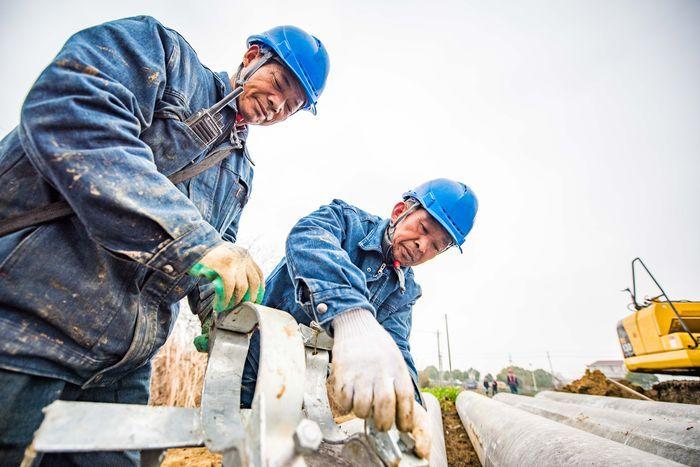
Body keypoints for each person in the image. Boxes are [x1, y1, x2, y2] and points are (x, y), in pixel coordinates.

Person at [0, 16, 330, 465]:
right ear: (252, 58)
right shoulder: (165, 57)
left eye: (292, 105)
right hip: (28, 329)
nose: (278, 104)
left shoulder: (239, 174)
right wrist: (196, 242)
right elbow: (71, 107)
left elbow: (215, 259)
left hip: (123, 367)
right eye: (279, 83)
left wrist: (223, 314)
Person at [240, 178, 479, 460]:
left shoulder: (405, 290)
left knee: (283, 450)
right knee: (243, 439)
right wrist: (352, 316)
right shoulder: (345, 221)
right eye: (423, 229)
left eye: (436, 246)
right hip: (259, 349)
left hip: (307, 375)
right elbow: (306, 238)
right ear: (399, 211)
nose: (421, 245)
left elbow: (397, 346)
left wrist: (411, 405)